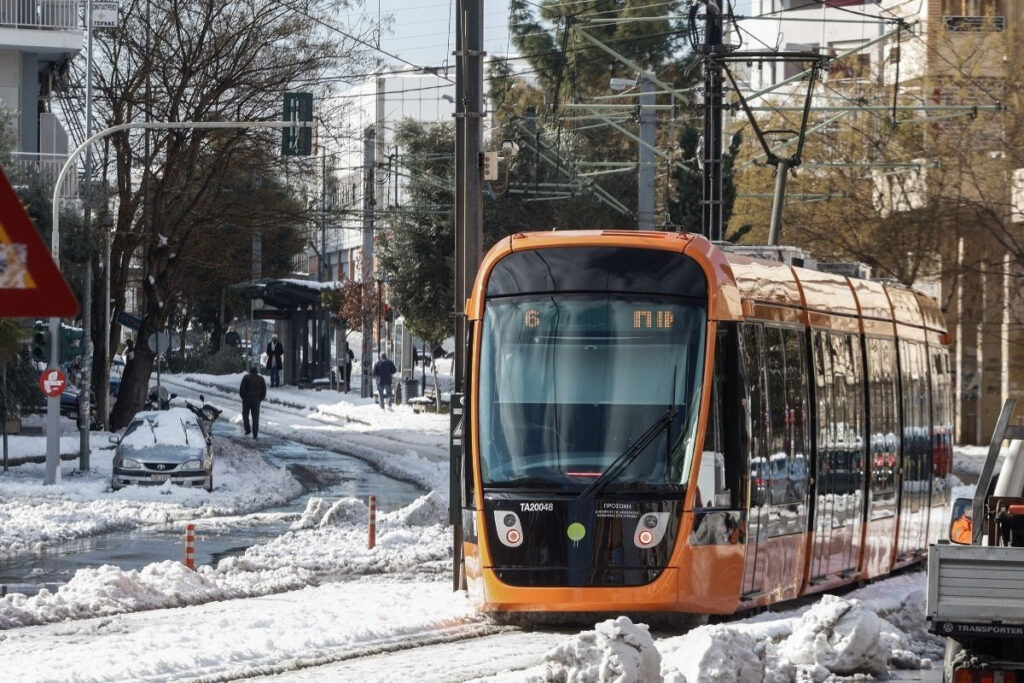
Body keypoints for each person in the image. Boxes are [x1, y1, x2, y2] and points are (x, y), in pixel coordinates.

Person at [239, 365, 267, 439]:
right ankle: (255, 433)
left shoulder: (246, 377)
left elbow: (242, 389)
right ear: (256, 372)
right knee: (255, 417)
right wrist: (260, 399)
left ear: (250, 371)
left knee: (245, 415)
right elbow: (264, 391)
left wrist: (243, 397)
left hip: (247, 399)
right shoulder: (261, 379)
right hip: (256, 400)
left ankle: (247, 429)